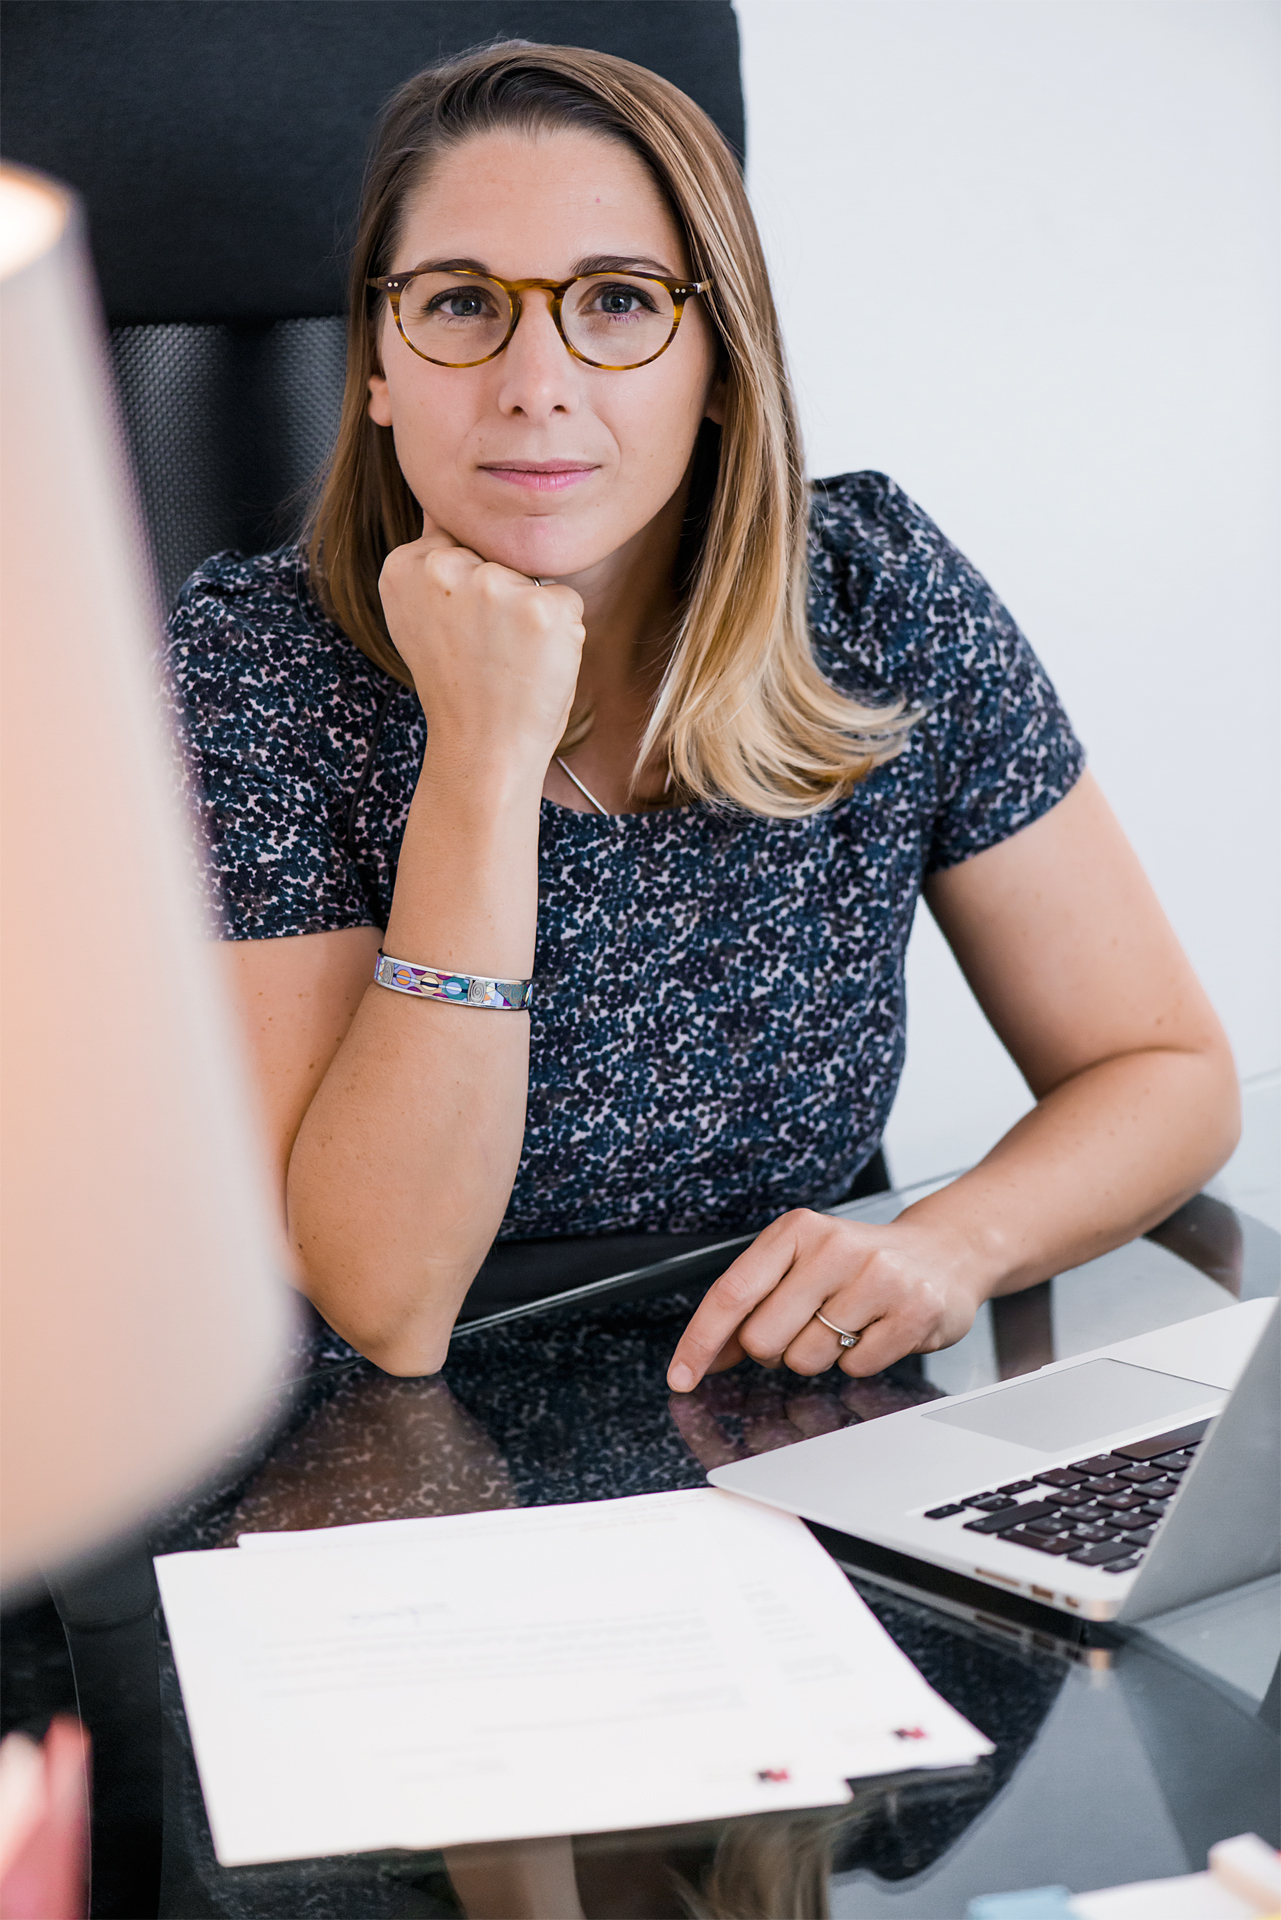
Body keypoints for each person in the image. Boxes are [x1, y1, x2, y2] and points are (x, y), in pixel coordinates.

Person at [165, 42, 1239, 1388]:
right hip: (387, 1452)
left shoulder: (871, 598)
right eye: (458, 305)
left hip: (793, 1402)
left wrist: (952, 1244)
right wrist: (485, 760)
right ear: (378, 364)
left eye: (615, 303)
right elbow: (388, 1302)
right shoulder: (255, 666)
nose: (533, 382)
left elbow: (1163, 1068)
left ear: (720, 361)